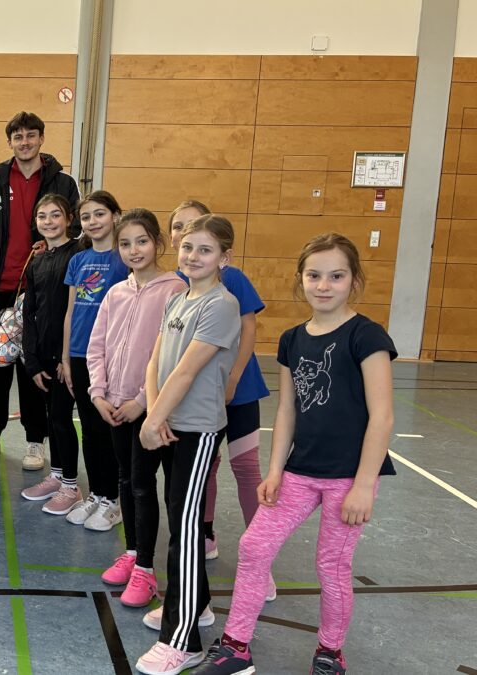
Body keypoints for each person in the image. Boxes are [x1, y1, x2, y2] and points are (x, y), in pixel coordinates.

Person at [190, 234, 396, 675]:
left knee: (331, 565)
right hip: (300, 471)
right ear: (300, 279)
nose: (324, 285)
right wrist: (275, 470)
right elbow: (287, 409)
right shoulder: (292, 339)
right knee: (254, 546)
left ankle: (330, 652)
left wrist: (364, 486)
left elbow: (382, 416)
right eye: (314, 275)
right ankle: (236, 647)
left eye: (336, 276)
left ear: (354, 280)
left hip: (348, 476)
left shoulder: (366, 335)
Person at [134, 214, 241, 675]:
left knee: (185, 526)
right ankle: (195, 603)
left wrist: (153, 418)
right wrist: (154, 414)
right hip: (169, 423)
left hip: (197, 429)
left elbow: (187, 370)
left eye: (206, 250)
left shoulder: (222, 304)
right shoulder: (178, 298)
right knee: (180, 517)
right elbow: (156, 361)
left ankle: (183, 639)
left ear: (224, 257)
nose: (193, 256)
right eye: (188, 247)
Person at [0, 111, 80, 464]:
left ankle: (34, 440)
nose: (24, 142)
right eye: (18, 137)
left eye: (31, 135)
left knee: (34, 368)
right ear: (9, 142)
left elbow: (75, 229)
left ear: (41, 139)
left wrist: (54, 247)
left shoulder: (63, 182)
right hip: (0, 288)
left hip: (42, 292)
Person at [83, 209, 186, 594]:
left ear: (157, 243)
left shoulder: (175, 290)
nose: (134, 250)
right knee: (125, 480)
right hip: (114, 408)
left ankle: (145, 567)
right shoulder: (115, 293)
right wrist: (98, 393)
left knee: (143, 484)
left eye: (142, 241)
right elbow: (96, 346)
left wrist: (142, 402)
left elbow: (173, 357)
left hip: (150, 410)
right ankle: (131, 550)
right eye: (125, 244)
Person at [169, 200, 270, 565]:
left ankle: (259, 553)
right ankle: (205, 535)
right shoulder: (173, 284)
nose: (186, 232)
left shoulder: (233, 278)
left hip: (239, 390)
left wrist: (234, 377)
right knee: (205, 466)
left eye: (195, 224)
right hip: (197, 395)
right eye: (179, 227)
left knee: (246, 467)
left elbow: (248, 328)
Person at [58, 191, 130, 528]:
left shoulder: (125, 259)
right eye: (86, 217)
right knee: (88, 428)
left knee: (108, 428)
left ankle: (113, 500)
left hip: (110, 357)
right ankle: (97, 493)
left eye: (100, 214)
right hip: (78, 354)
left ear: (116, 216)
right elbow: (70, 311)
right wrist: (65, 356)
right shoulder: (78, 260)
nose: (93, 222)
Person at [18, 193, 86, 512]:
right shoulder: (38, 261)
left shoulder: (79, 254)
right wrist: (32, 361)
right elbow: (29, 312)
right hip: (43, 355)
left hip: (67, 357)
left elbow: (78, 310)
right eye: (42, 216)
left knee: (61, 418)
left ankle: (71, 486)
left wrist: (65, 356)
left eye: (55, 215)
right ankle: (58, 475)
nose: (48, 221)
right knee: (52, 418)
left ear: (69, 218)